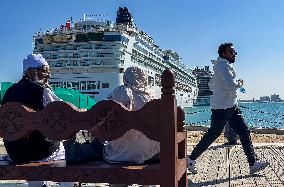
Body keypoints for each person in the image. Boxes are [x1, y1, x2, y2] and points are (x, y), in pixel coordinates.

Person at [187, 42, 269, 175]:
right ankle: (190, 159)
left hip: (229, 105)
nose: (234, 54)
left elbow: (211, 85)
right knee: (214, 133)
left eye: (234, 52)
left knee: (243, 131)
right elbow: (231, 86)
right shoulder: (223, 67)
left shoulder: (220, 66)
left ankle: (253, 163)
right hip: (223, 107)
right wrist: (239, 83)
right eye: (231, 52)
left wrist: (226, 88)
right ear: (224, 54)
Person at [1, 54, 74, 187]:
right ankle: (68, 185)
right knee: (62, 150)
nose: (48, 75)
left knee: (31, 141)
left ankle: (37, 185)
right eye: (44, 70)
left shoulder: (9, 92)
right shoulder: (41, 90)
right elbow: (64, 112)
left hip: (16, 153)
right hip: (41, 153)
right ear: (30, 72)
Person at [104, 66, 159, 187]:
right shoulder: (151, 95)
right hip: (149, 155)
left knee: (108, 148)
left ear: (125, 78)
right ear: (144, 79)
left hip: (119, 156)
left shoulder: (117, 93)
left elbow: (104, 121)